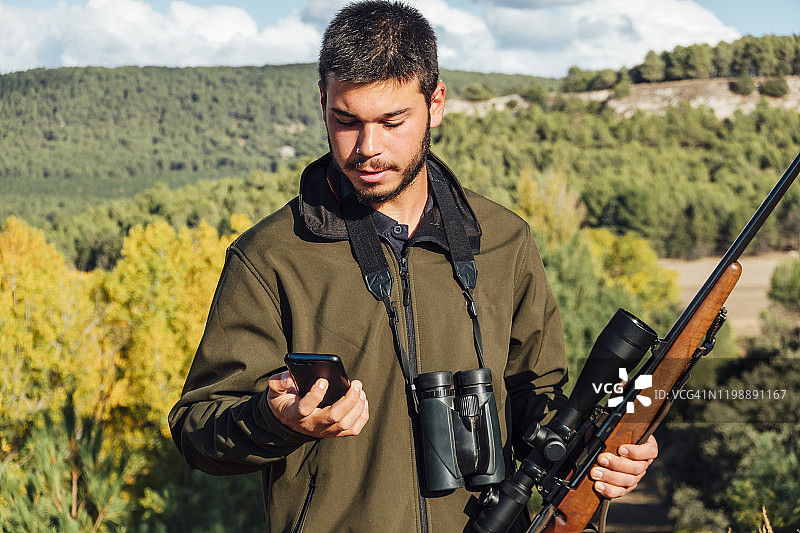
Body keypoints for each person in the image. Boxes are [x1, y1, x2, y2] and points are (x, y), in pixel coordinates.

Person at [168, 2, 658, 531]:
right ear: (323, 104)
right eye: (345, 121)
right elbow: (197, 430)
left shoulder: (504, 239)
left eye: (392, 121)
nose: (367, 148)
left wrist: (602, 449)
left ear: (437, 103)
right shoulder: (270, 256)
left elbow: (533, 398)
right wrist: (275, 420)